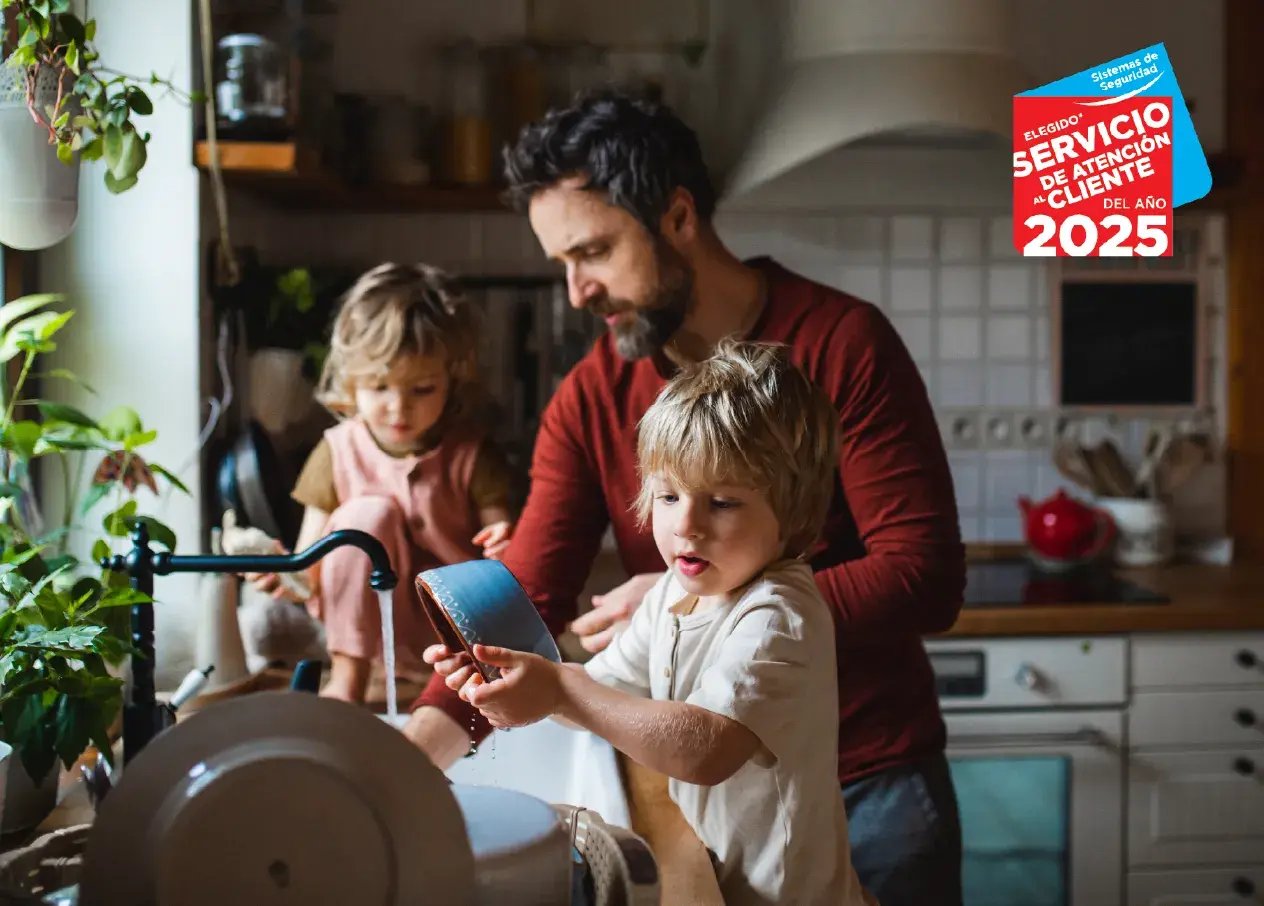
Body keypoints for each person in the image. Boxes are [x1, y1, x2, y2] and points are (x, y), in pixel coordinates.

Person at [402, 92, 966, 905]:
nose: (576, 292)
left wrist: (701, 603)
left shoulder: (843, 344)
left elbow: (924, 574)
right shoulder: (594, 391)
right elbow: (523, 592)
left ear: (676, 216)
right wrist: (421, 746)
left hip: (866, 783)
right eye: (561, 262)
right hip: (712, 799)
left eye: (593, 251)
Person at [431, 340, 874, 906]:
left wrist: (563, 690)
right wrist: (523, 684)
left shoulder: (777, 614)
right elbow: (605, 697)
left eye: (722, 502)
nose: (685, 524)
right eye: (668, 495)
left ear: (792, 512)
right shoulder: (674, 592)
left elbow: (705, 750)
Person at [250, 262, 518, 703]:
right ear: (352, 383)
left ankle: (447, 683)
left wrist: (505, 545)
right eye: (379, 387)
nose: (398, 408)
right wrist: (284, 571)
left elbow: (504, 547)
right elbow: (309, 564)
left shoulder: (472, 454)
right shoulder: (336, 450)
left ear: (452, 381)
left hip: (454, 629)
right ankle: (348, 680)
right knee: (364, 517)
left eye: (422, 390)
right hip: (366, 631)